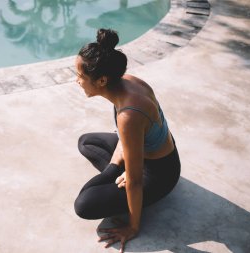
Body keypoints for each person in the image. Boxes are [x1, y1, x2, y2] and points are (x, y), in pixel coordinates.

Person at [74, 28, 181, 252]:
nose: (77, 81)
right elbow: (132, 134)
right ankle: (120, 168)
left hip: (159, 174)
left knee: (84, 204)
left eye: (81, 76)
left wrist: (133, 227)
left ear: (101, 80)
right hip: (150, 153)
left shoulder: (129, 116)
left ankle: (119, 171)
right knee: (86, 142)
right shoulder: (126, 81)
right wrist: (122, 155)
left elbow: (135, 182)